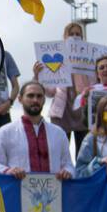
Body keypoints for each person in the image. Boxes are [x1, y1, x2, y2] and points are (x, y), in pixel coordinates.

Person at [0, 81, 75, 180]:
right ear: (20, 99)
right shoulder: (4, 133)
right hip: (16, 193)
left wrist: (67, 172)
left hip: (53, 193)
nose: (35, 100)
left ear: (44, 100)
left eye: (39, 96)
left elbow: (68, 164)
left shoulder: (58, 133)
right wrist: (8, 171)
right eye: (30, 96)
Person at [33, 20, 89, 153]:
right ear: (65, 37)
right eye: (71, 34)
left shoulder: (88, 60)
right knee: (59, 151)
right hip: (61, 113)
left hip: (82, 112)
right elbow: (49, 92)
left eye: (78, 34)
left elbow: (94, 85)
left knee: (83, 152)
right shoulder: (56, 59)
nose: (75, 37)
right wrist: (38, 77)